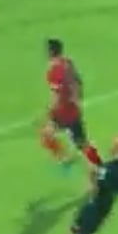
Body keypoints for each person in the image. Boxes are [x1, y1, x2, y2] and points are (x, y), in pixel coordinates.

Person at [41, 38, 102, 170]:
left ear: (50, 52)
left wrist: (49, 111)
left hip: (62, 112)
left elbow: (56, 96)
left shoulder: (54, 71)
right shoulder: (68, 63)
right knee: (80, 143)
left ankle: (66, 160)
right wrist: (77, 99)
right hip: (73, 109)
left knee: (48, 135)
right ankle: (96, 165)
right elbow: (78, 83)